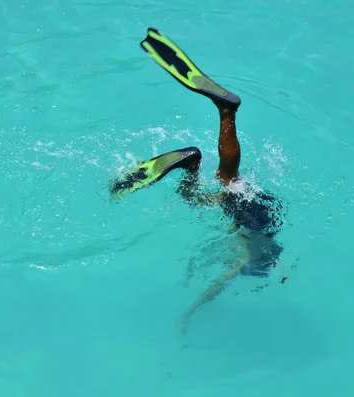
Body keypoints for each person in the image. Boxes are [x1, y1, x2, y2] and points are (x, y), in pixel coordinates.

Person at [110, 28, 285, 334]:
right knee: (201, 198)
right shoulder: (250, 262)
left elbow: (280, 265)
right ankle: (207, 139)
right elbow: (217, 285)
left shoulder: (276, 254)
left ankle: (205, 144)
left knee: (230, 180)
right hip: (248, 219)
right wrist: (191, 311)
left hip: (265, 208)